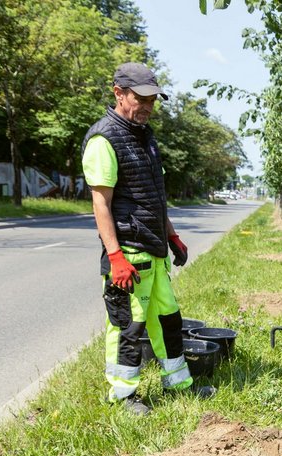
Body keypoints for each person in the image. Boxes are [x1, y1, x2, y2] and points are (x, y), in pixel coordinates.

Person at [82, 62, 214, 415]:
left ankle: (178, 383)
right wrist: (115, 257)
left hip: (155, 251)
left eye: (153, 99)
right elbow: (101, 203)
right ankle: (123, 394)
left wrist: (171, 234)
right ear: (118, 93)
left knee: (168, 319)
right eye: (140, 98)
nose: (147, 106)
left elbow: (154, 196)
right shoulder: (103, 139)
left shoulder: (146, 136)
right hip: (128, 253)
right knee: (128, 325)